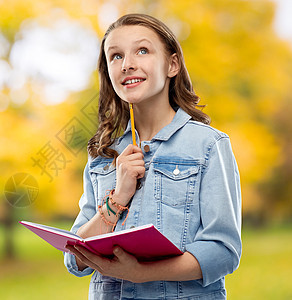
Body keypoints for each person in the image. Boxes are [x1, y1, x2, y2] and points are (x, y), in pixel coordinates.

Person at [64, 13, 242, 299]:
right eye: (116, 56)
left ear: (172, 64)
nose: (128, 64)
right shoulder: (101, 154)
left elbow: (223, 251)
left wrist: (142, 273)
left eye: (142, 50)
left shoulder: (208, 145)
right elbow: (76, 258)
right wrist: (117, 198)